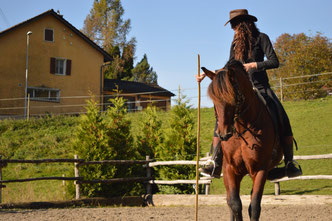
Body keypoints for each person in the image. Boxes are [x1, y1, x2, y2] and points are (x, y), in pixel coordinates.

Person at [196, 9, 302, 179]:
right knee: (222, 117)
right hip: (240, 92)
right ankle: (214, 160)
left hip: (261, 87)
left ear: (245, 24)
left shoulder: (262, 38)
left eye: (234, 25)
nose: (233, 29)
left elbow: (274, 61)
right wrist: (210, 74)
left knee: (282, 116)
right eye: (232, 26)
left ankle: (289, 163)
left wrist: (254, 65)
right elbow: (229, 66)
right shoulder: (234, 44)